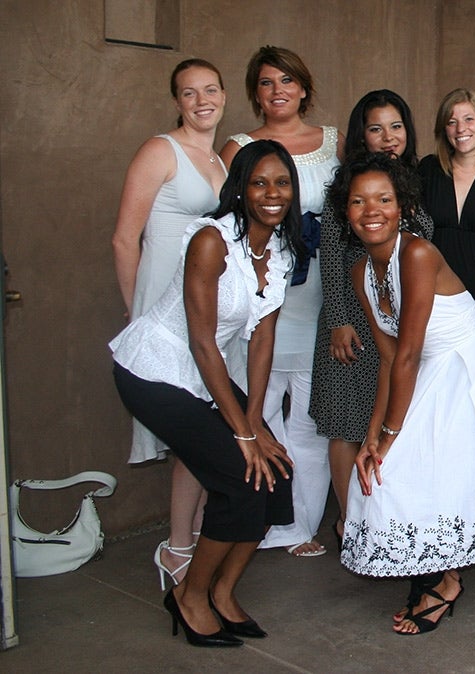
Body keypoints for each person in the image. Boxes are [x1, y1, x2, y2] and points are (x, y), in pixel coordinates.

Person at [335, 153, 475, 635]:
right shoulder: (360, 272)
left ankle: (445, 582)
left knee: (424, 466)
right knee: (390, 463)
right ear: (345, 212)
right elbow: (387, 359)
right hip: (427, 365)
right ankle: (437, 569)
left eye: (384, 199)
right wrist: (372, 435)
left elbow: (407, 356)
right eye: (359, 201)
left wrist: (390, 435)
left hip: (473, 364)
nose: (372, 210)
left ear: (403, 206)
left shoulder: (417, 254)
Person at [110, 139, 304, 647]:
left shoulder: (281, 250)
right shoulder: (211, 241)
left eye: (281, 182)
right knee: (240, 479)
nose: (271, 193)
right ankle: (190, 594)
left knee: (275, 471)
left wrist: (257, 421)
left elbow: (262, 337)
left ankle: (223, 591)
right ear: (238, 189)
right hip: (154, 369)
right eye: (259, 182)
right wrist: (242, 433)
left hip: (203, 372)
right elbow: (201, 341)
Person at [220, 45, 343, 557]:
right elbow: (226, 217)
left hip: (321, 291)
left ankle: (301, 526)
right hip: (266, 286)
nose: (278, 91)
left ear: (304, 88)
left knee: (311, 422)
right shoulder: (238, 146)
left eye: (287, 81)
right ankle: (256, 519)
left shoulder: (334, 141)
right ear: (255, 93)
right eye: (267, 83)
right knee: (257, 409)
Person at [111, 58, 229, 589]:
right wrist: (138, 315)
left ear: (224, 95)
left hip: (201, 312)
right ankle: (178, 548)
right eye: (189, 93)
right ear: (176, 101)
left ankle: (199, 536)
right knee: (190, 435)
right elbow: (123, 238)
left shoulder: (222, 162)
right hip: (162, 302)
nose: (201, 100)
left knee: (204, 430)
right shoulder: (160, 150)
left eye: (210, 90)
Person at [308, 90, 434, 545]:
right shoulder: (346, 186)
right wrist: (340, 319)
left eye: (396, 126)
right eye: (376, 127)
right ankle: (349, 521)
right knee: (345, 423)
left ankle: (381, 519)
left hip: (397, 321)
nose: (388, 137)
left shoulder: (415, 181)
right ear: (362, 134)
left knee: (382, 421)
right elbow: (332, 258)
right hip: (352, 322)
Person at [418, 88, 475, 315]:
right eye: (451, 122)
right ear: (443, 130)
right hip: (436, 291)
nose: (460, 129)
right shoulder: (428, 169)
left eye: (469, 119)